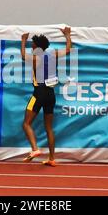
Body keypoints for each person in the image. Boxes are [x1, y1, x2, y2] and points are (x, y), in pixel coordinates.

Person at [20, 27, 72, 167]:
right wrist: (67, 35)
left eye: (33, 45)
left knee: (26, 123)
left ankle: (35, 149)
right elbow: (68, 49)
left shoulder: (36, 57)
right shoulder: (52, 54)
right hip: (50, 94)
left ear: (37, 47)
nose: (31, 47)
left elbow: (23, 56)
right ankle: (51, 158)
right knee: (49, 127)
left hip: (39, 93)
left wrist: (23, 40)